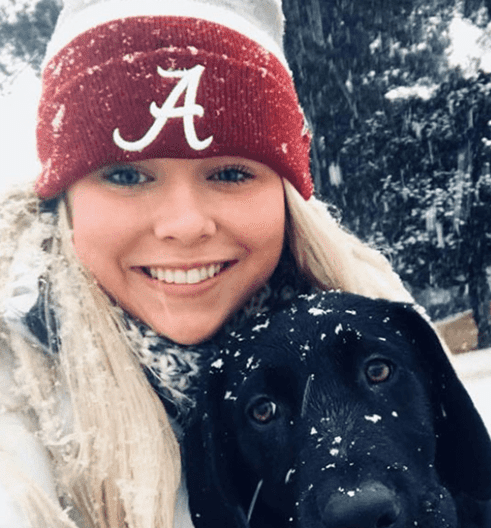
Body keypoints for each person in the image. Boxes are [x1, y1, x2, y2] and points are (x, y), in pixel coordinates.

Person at [0, 1, 419, 527]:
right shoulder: (15, 423)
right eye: (127, 175)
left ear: (287, 197)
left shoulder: (387, 337)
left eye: (229, 173)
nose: (185, 223)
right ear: (64, 202)